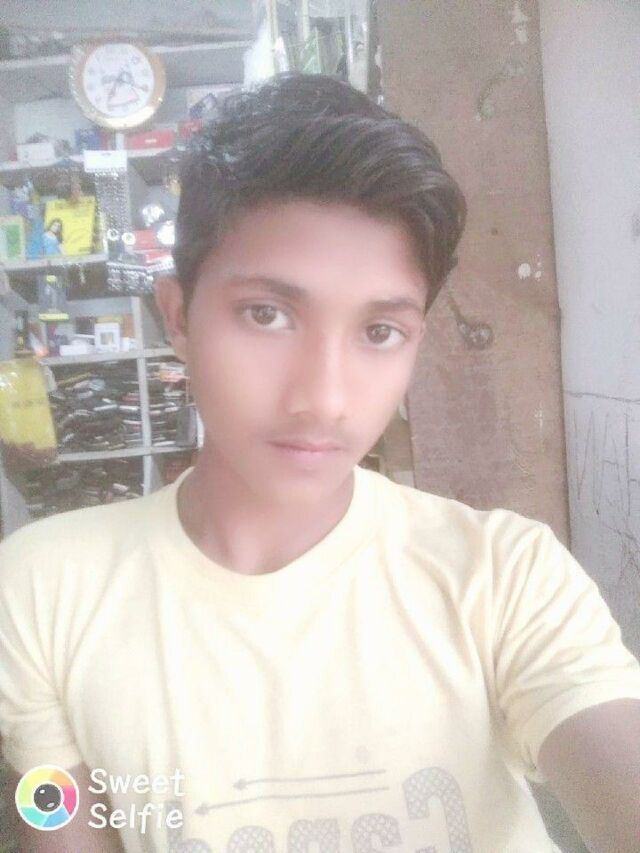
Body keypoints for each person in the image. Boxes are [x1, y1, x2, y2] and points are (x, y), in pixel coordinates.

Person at [1, 72, 639, 853]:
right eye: (266, 314)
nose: (324, 399)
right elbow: (54, 815)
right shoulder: (40, 587)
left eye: (379, 332)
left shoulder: (504, 574)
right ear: (178, 316)